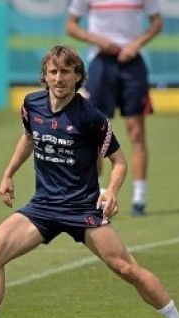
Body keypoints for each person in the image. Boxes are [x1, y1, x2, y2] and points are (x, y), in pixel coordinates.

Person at [0, 45, 179, 318]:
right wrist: (9, 172)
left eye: (66, 71)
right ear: (44, 76)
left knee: (126, 269)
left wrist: (111, 191)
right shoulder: (32, 105)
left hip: (82, 209)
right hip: (43, 207)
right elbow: (29, 137)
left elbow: (119, 161)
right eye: (53, 72)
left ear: (78, 76)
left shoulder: (91, 117)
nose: (59, 78)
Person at [65, 0, 162, 217]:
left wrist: (136, 44)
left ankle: (139, 198)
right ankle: (96, 193)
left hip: (132, 62)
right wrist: (98, 40)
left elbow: (156, 23)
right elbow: (71, 25)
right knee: (96, 132)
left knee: (136, 130)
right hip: (101, 63)